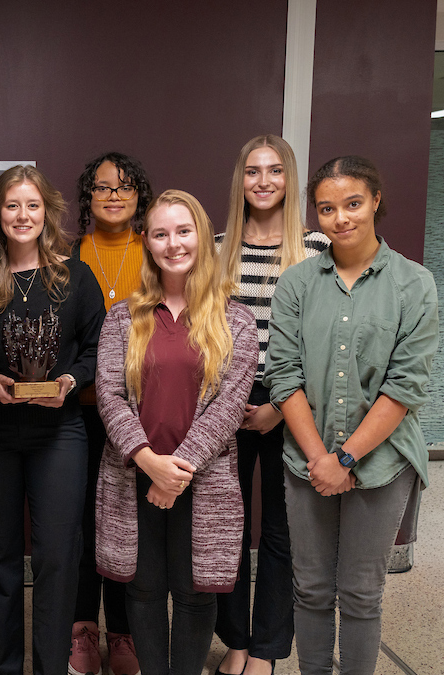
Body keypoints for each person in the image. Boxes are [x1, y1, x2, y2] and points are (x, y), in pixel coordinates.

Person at [265, 156, 437, 675]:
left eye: (353, 204)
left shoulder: (414, 284)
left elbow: (405, 386)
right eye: (327, 208)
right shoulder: (296, 284)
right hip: (307, 461)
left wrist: (346, 456)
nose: (341, 218)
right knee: (311, 587)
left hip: (384, 462)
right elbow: (283, 375)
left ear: (375, 201)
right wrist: (321, 458)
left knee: (361, 593)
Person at [95, 190, 256, 675]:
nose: (173, 244)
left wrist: (175, 472)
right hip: (134, 476)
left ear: (202, 238)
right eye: (161, 234)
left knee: (194, 593)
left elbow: (229, 407)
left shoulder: (237, 319)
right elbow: (108, 394)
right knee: (141, 590)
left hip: (202, 481)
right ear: (148, 243)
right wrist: (148, 463)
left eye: (183, 231)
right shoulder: (123, 317)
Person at [0, 165, 105, 675]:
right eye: (12, 205)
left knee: (57, 556)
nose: (22, 215)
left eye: (32, 205)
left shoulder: (75, 275)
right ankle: (4, 667)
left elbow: (98, 348)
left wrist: (70, 382)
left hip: (60, 433)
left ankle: (52, 666)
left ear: (48, 213)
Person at [213, 135, 329, 675]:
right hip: (224, 404)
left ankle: (266, 649)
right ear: (241, 180)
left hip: (293, 402)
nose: (264, 182)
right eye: (253, 171)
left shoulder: (316, 248)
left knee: (282, 531)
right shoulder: (215, 249)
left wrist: (279, 407)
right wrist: (230, 400)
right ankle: (235, 640)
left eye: (275, 171)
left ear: (290, 179)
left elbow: (325, 340)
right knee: (227, 526)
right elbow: (203, 335)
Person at [69, 151, 153, 675]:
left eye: (124, 187)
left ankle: (123, 633)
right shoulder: (68, 257)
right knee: (79, 523)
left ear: (139, 195)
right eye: (103, 188)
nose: (114, 195)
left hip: (140, 416)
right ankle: (82, 628)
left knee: (128, 525)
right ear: (89, 197)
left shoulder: (159, 250)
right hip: (77, 413)